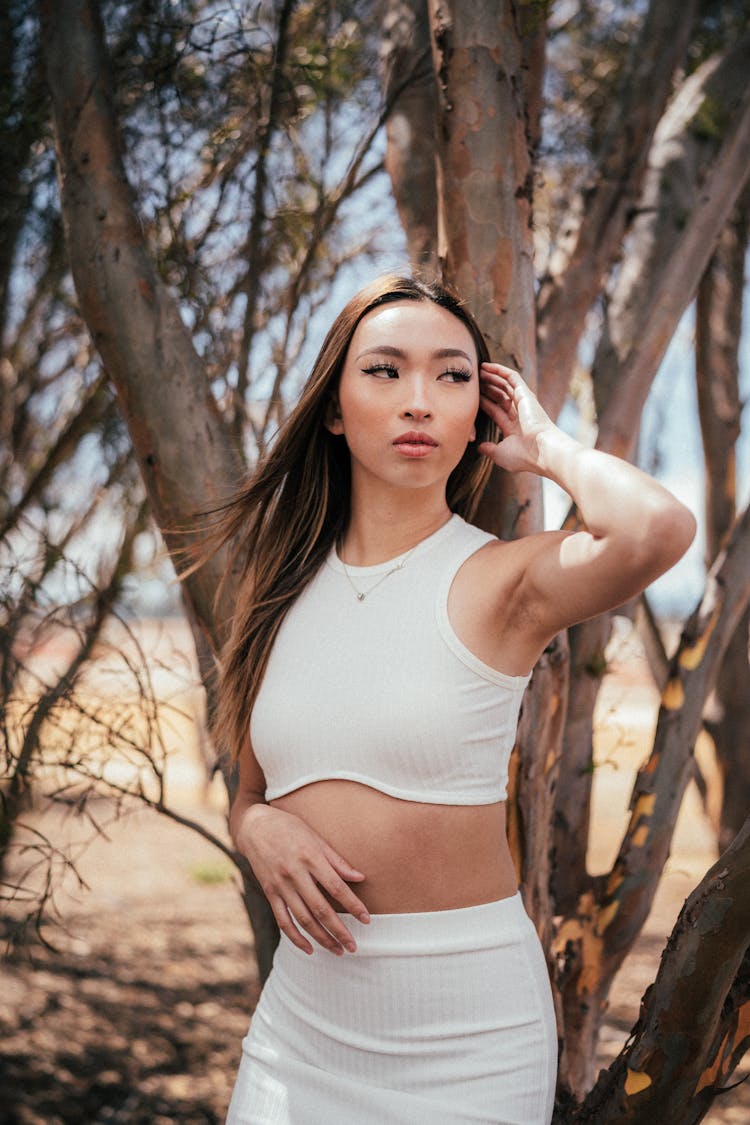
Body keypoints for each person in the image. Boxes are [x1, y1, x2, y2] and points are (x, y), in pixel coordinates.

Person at [200, 275, 695, 1125]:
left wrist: (541, 444)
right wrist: (258, 828)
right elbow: (249, 793)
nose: (419, 401)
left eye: (454, 376)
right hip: (300, 1031)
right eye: (385, 371)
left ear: (480, 415)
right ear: (333, 407)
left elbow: (655, 528)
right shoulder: (275, 590)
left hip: (468, 1035)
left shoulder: (503, 581)